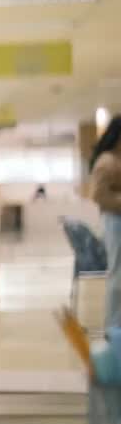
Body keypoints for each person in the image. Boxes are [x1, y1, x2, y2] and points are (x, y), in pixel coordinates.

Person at [90, 117, 121, 325]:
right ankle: (113, 326)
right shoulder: (107, 161)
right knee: (117, 275)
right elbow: (99, 195)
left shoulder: (116, 159)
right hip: (115, 221)